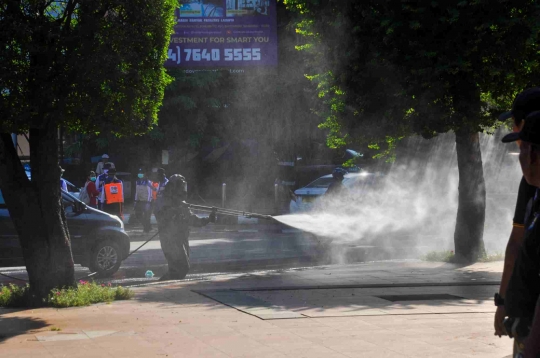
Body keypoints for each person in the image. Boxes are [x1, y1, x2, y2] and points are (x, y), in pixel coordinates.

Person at [494, 88, 540, 341]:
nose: (513, 130)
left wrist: (503, 303)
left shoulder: (531, 182)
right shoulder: (531, 182)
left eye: (516, 124)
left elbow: (516, 245)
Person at [156, 174, 215, 281]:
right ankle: (161, 286)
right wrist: (175, 211)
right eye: (181, 186)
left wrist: (208, 219)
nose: (183, 189)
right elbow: (160, 217)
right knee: (182, 268)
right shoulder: (165, 200)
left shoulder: (181, 204)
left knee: (178, 270)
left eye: (184, 186)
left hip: (181, 239)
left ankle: (167, 289)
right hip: (170, 240)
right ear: (174, 187)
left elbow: (193, 220)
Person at [132, 168, 156, 233]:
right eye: (139, 173)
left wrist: (148, 203)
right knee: (138, 215)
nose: (140, 174)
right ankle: (147, 226)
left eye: (141, 173)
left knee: (147, 216)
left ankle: (147, 229)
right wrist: (135, 201)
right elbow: (137, 192)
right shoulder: (138, 182)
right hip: (139, 201)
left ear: (145, 174)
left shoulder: (148, 182)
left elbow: (150, 193)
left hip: (147, 202)